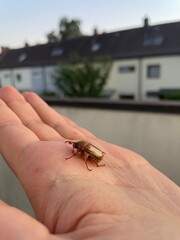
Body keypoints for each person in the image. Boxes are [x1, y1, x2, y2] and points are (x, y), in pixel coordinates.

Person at [0, 86, 180, 240]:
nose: (73, 149)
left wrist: (79, 157)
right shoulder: (79, 145)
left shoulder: (83, 150)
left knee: (86, 159)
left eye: (74, 147)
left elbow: (84, 153)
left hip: (97, 156)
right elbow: (76, 146)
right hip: (96, 152)